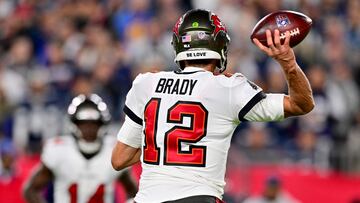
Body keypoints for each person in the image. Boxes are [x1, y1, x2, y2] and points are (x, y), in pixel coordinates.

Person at [111, 9, 314, 203]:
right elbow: (301, 104)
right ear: (219, 46)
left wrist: (163, 143)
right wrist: (288, 62)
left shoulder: (146, 84)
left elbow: (119, 159)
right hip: (198, 198)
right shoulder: (228, 87)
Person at [23, 94, 137, 203]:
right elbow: (31, 190)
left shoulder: (112, 150)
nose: (89, 128)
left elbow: (134, 192)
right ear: (74, 124)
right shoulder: (59, 150)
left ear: (102, 124)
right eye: (83, 123)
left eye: (94, 123)